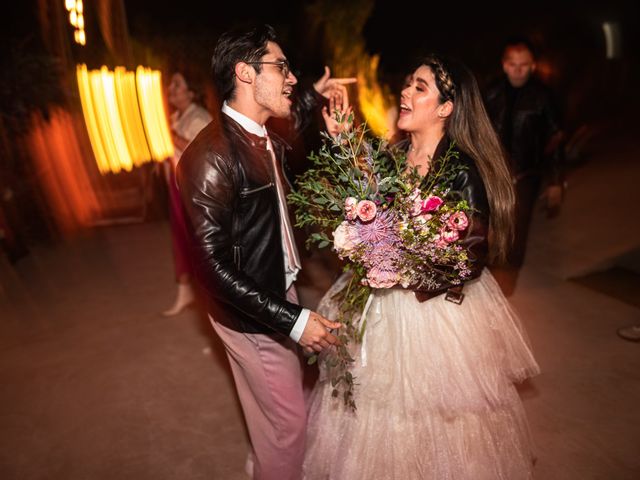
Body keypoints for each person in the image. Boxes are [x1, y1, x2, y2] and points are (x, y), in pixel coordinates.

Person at [303, 55, 540, 479]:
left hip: (438, 314)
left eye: (419, 87)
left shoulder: (463, 170)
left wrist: (401, 268)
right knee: (373, 411)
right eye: (408, 84)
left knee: (440, 416)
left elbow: (468, 259)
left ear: (446, 108)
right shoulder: (395, 154)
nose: (405, 93)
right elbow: (367, 199)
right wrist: (343, 143)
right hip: (378, 308)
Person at [176, 24, 356, 480]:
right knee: (288, 426)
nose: (291, 77)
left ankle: (262, 465)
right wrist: (294, 321)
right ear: (246, 73)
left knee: (273, 413)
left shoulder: (262, 135)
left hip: (275, 287)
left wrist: (313, 102)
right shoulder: (211, 156)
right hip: (251, 311)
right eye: (281, 67)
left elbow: (296, 142)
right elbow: (213, 269)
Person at [484, 37, 565, 294]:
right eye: (513, 64)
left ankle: (506, 286)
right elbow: (476, 133)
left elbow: (555, 139)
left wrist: (556, 181)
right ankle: (483, 283)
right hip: (492, 173)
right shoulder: (491, 93)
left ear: (532, 66)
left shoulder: (544, 96)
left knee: (517, 230)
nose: (518, 70)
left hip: (526, 175)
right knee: (487, 226)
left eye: (524, 64)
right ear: (504, 65)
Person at [162, 68, 213, 316]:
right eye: (171, 84)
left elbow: (201, 151)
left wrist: (168, 134)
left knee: (198, 241)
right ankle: (185, 293)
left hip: (194, 186)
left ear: (191, 93)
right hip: (176, 182)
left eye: (178, 85)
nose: (171, 89)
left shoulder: (199, 117)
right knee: (181, 239)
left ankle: (210, 297)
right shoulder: (175, 118)